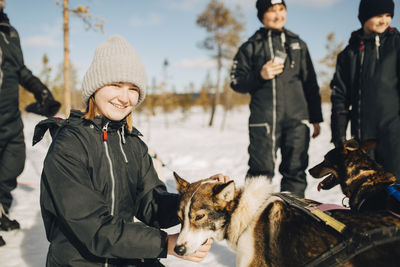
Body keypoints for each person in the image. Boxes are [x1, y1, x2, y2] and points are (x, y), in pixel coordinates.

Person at [34, 35, 226, 267]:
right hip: (80, 261)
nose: (125, 98)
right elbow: (95, 229)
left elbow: (151, 205)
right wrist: (165, 244)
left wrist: (199, 197)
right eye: (115, 85)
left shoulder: (133, 143)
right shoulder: (70, 145)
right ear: (95, 87)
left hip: (125, 257)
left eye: (133, 88)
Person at [230, 0, 322, 197]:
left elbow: (311, 83)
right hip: (263, 122)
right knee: (260, 174)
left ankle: (292, 221)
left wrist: (315, 118)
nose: (278, 15)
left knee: (296, 171)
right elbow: (236, 81)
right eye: (272, 11)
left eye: (281, 9)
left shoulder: (298, 45)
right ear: (262, 15)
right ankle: (254, 221)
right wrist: (259, 75)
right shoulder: (251, 46)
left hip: (297, 120)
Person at [0, 0, 60, 246]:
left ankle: (1, 211)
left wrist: (40, 90)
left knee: (12, 166)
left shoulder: (9, 31)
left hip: (9, 118)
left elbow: (18, 69)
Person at [331, 0, 400, 179]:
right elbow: (340, 97)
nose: (384, 20)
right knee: (367, 189)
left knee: (395, 186)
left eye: (388, 15)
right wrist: (339, 137)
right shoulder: (349, 54)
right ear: (364, 16)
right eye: (378, 15)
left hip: (394, 134)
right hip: (364, 138)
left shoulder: (396, 45)